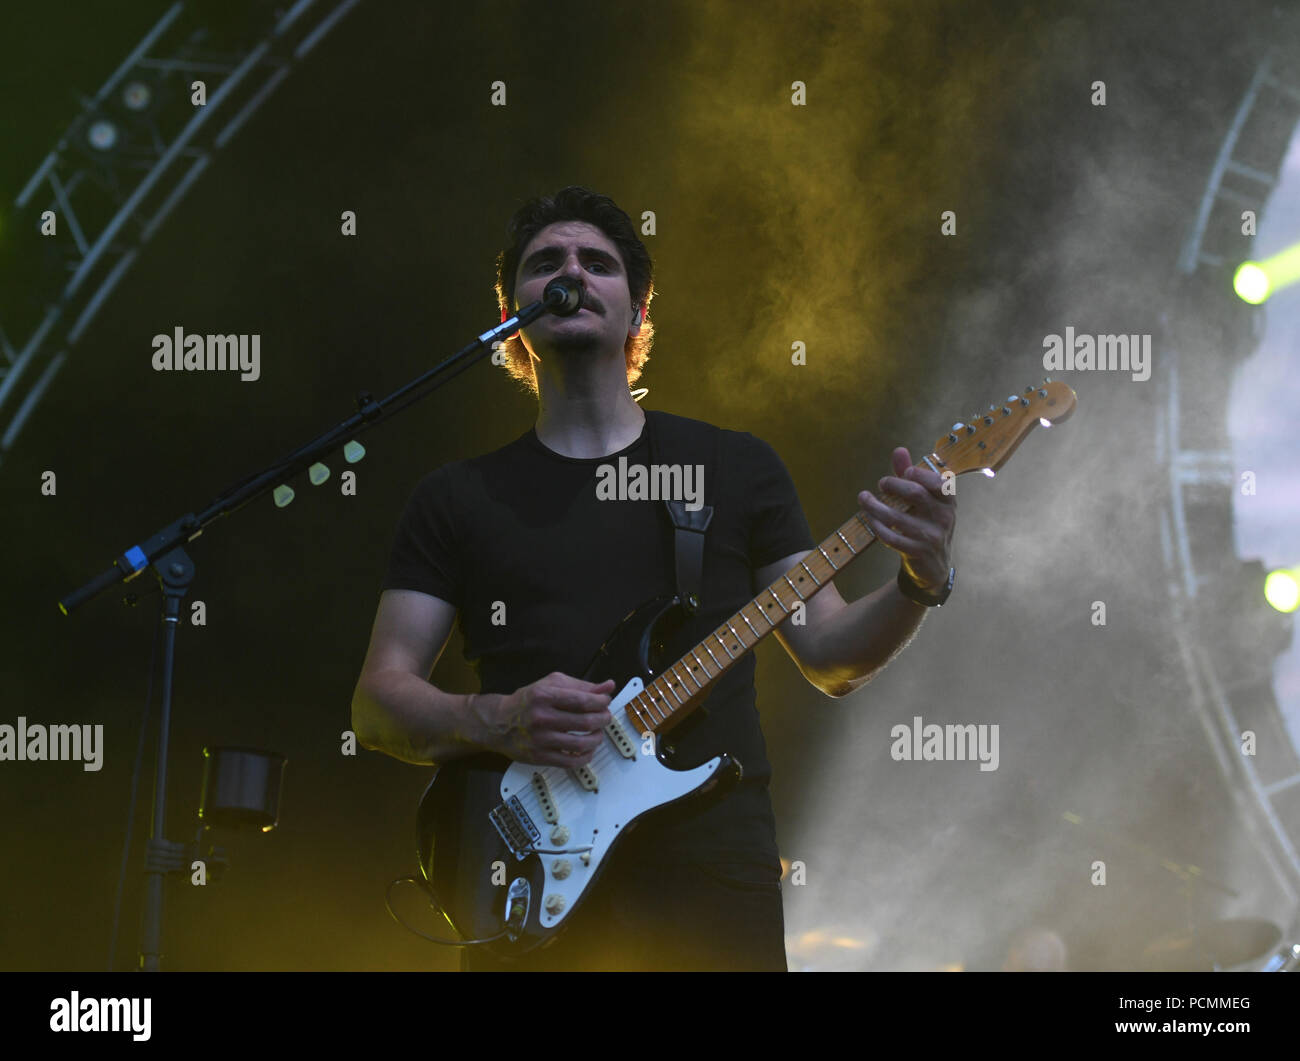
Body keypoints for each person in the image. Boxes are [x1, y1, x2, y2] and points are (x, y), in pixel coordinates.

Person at [351, 186, 957, 971]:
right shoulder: (457, 498)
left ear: (637, 311)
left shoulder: (736, 469)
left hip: (711, 880)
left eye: (597, 263)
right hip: (530, 879)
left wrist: (920, 578)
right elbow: (375, 701)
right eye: (547, 265)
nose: (572, 272)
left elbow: (831, 653)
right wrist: (496, 716)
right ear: (514, 316)